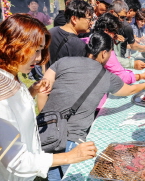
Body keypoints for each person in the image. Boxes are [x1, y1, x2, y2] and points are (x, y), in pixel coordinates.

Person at [38, 32, 145, 180]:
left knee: (53, 171)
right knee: (69, 175)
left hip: (45, 132)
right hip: (74, 139)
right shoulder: (106, 76)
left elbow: (42, 90)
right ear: (104, 53)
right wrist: (144, 85)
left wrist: (47, 120)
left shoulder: (62, 62)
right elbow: (129, 90)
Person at [0, 13, 97, 181]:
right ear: (14, 45)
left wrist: (32, 91)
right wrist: (69, 157)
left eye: (41, 50)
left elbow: (18, 113)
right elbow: (16, 160)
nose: (38, 59)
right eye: (35, 51)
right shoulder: (2, 95)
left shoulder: (10, 75)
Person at [110, 0, 145, 69]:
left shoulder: (123, 25)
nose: (130, 21)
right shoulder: (126, 26)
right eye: (123, 17)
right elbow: (133, 46)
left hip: (118, 59)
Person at [48, 0, 94, 67]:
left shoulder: (51, 32)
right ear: (74, 19)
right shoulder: (79, 45)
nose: (91, 23)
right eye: (89, 19)